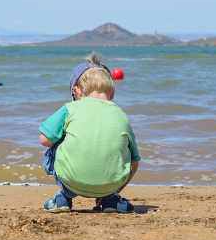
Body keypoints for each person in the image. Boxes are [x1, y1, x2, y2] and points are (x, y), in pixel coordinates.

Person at [38, 54, 140, 213]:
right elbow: (135, 160)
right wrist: (113, 187)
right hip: (111, 184)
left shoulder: (70, 109)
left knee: (54, 143)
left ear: (76, 91)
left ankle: (64, 198)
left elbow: (44, 139)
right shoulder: (121, 114)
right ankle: (110, 199)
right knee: (123, 150)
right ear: (112, 92)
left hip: (72, 181)